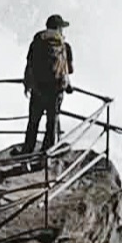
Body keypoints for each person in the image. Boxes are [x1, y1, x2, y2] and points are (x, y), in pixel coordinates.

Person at [22, 14, 73, 154]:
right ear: (58, 28)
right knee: (51, 123)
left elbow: (29, 64)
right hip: (55, 91)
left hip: (38, 89)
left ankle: (27, 150)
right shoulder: (64, 45)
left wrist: (27, 84)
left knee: (33, 122)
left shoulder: (37, 42)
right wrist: (68, 86)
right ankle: (46, 153)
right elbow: (68, 70)